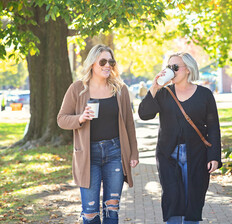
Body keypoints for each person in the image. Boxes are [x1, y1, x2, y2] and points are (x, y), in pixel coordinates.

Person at [57, 44, 139, 224]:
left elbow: (128, 124)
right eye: (102, 61)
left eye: (111, 61)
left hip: (115, 153)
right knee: (90, 213)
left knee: (112, 209)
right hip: (88, 155)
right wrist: (80, 118)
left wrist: (133, 153)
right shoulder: (78, 89)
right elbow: (61, 119)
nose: (107, 65)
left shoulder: (120, 89)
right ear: (92, 64)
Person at [138, 52, 222, 224]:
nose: (171, 71)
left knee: (193, 199)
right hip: (169, 155)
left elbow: (213, 127)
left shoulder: (204, 94)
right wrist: (154, 87)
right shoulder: (163, 93)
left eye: (175, 67)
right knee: (172, 198)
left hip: (197, 155)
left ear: (188, 70)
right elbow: (144, 114)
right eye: (168, 67)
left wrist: (214, 156)